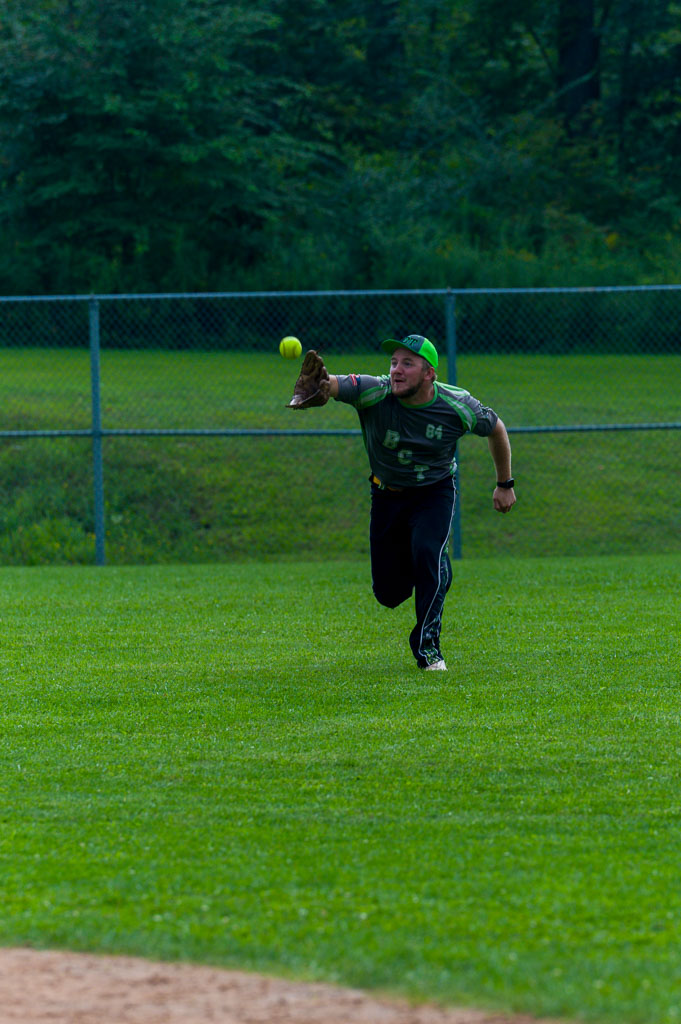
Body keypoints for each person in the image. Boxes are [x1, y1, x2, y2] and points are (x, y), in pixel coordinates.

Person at [286, 334, 516, 671]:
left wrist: (504, 484)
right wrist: (319, 387)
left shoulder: (457, 404)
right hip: (387, 495)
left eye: (407, 363)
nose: (396, 370)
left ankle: (428, 650)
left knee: (427, 552)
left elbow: (496, 429)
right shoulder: (374, 391)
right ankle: (434, 567)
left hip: (434, 492)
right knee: (389, 594)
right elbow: (332, 384)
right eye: (394, 362)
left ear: (429, 374)